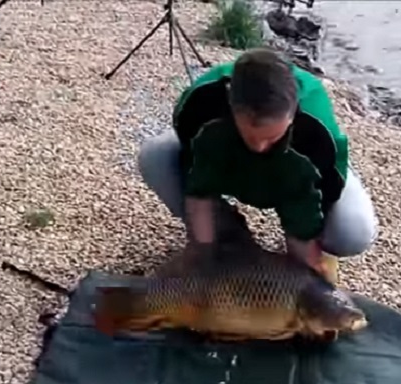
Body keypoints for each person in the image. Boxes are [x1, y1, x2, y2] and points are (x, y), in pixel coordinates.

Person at [137, 48, 379, 284]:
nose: (260, 147)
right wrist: (203, 254)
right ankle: (230, 237)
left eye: (271, 138)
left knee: (353, 231)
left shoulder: (317, 134)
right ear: (232, 107)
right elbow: (200, 188)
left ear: (292, 114)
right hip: (228, 159)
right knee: (155, 156)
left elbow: (304, 214)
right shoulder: (200, 104)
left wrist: (308, 279)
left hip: (303, 165)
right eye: (251, 136)